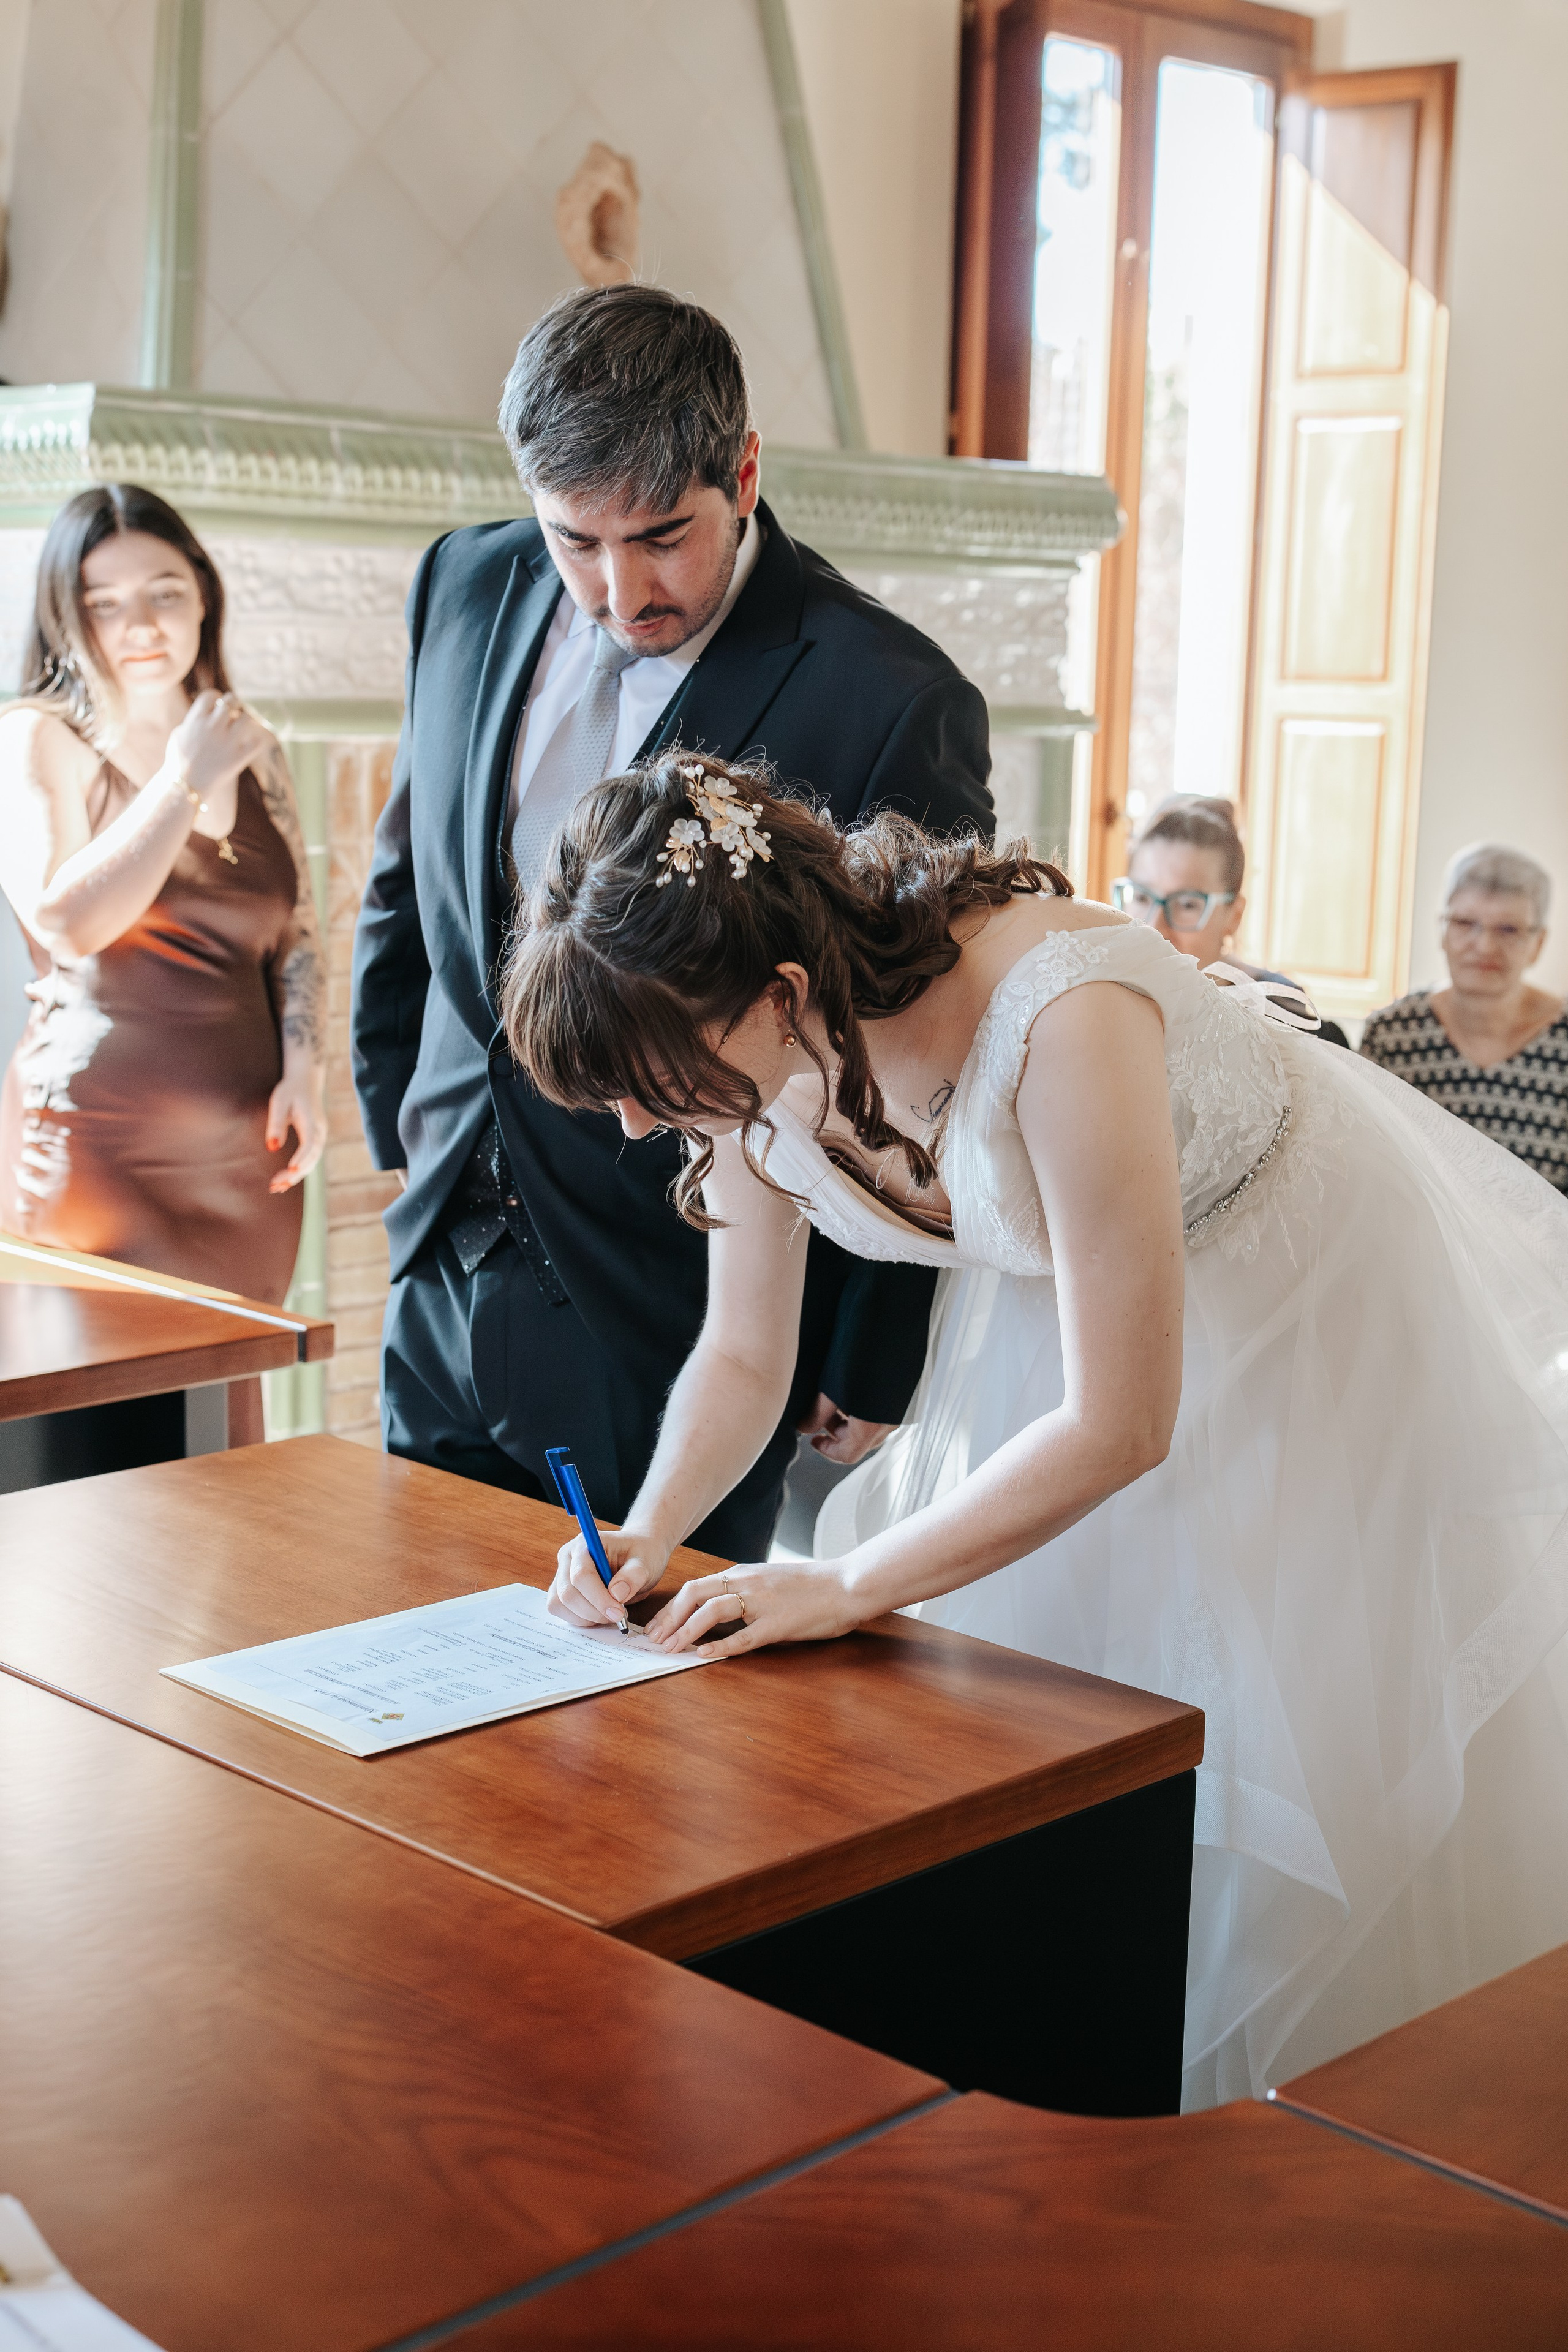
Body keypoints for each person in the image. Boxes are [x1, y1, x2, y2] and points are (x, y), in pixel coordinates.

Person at [510, 756, 1568, 2110]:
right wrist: (646, 1532)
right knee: (1039, 1712)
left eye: (656, 1080)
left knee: (1266, 1733)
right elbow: (742, 1348)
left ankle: (1281, 2126)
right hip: (1056, 1318)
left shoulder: (1057, 1009)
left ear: (777, 995)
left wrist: (838, 1583)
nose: (643, 1123)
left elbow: (1122, 1421)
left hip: (1297, 1296)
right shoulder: (750, 1057)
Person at [350, 285, 991, 1556]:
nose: (618, 590)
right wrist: (402, 1126)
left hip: (677, 1290)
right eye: (573, 541)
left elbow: (914, 1051)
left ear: (743, 472)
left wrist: (866, 1346)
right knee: (410, 1650)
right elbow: (406, 888)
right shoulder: (461, 582)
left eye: (660, 536)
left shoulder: (888, 697)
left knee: (644, 1711)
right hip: (441, 1260)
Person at [0, 485, 325, 1446]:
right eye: (104, 603)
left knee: (223, 1463)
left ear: (205, 599)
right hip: (104, 1167)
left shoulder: (248, 745)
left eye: (165, 593)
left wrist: (306, 1069)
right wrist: (184, 777)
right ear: (68, 614)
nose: (140, 625)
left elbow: (296, 928)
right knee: (102, 1459)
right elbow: (67, 919)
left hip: (245, 1174)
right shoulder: (38, 738)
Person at [1361, 843, 1567, 1193]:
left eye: (1508, 930)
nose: (1484, 946)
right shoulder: (1391, 1036)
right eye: (1464, 923)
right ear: (1442, 929)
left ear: (1539, 943)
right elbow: (1367, 1168)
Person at [1114, 794, 1350, 1046]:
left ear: (1234, 917)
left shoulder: (1282, 1016)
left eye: (1187, 904)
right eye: (1141, 897)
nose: (1154, 926)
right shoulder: (1099, 999)